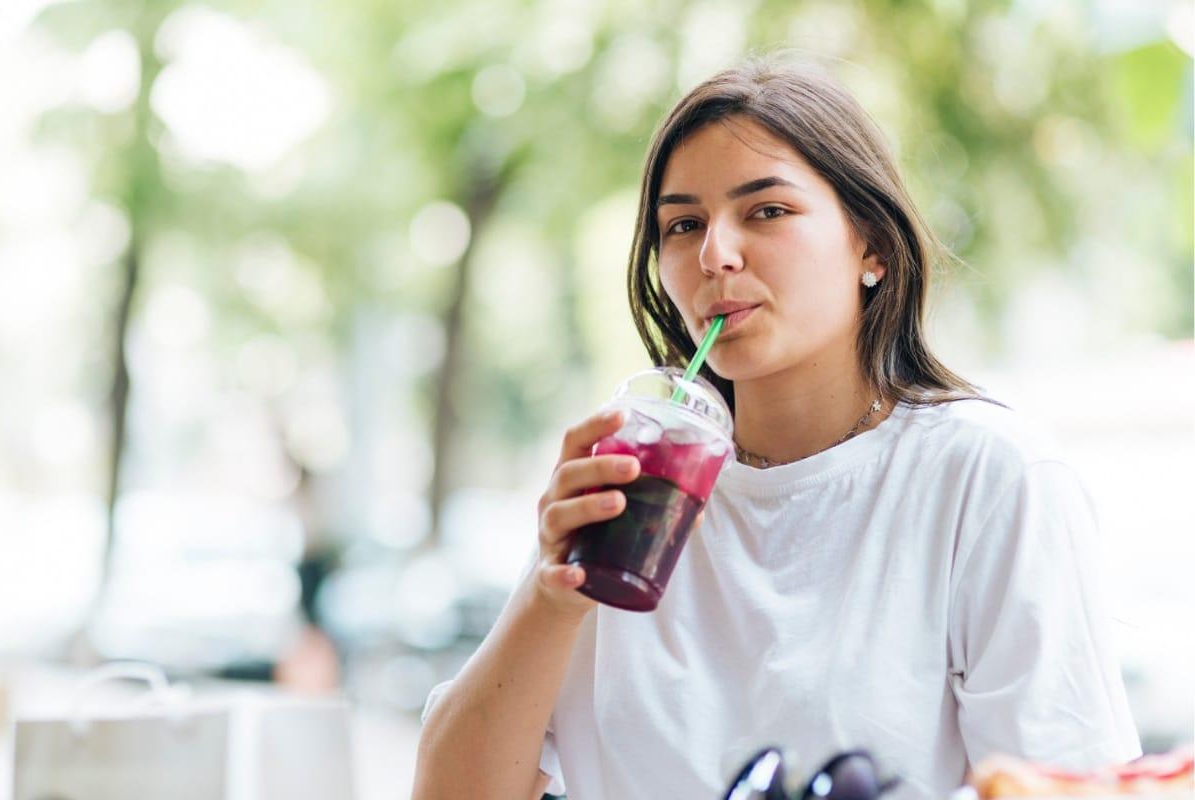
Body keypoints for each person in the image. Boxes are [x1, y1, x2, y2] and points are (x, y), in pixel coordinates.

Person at [412, 58, 1140, 800]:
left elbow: (1068, 786)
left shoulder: (986, 477)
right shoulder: (633, 492)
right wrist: (552, 591)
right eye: (683, 224)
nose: (714, 255)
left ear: (873, 247)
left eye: (767, 211)